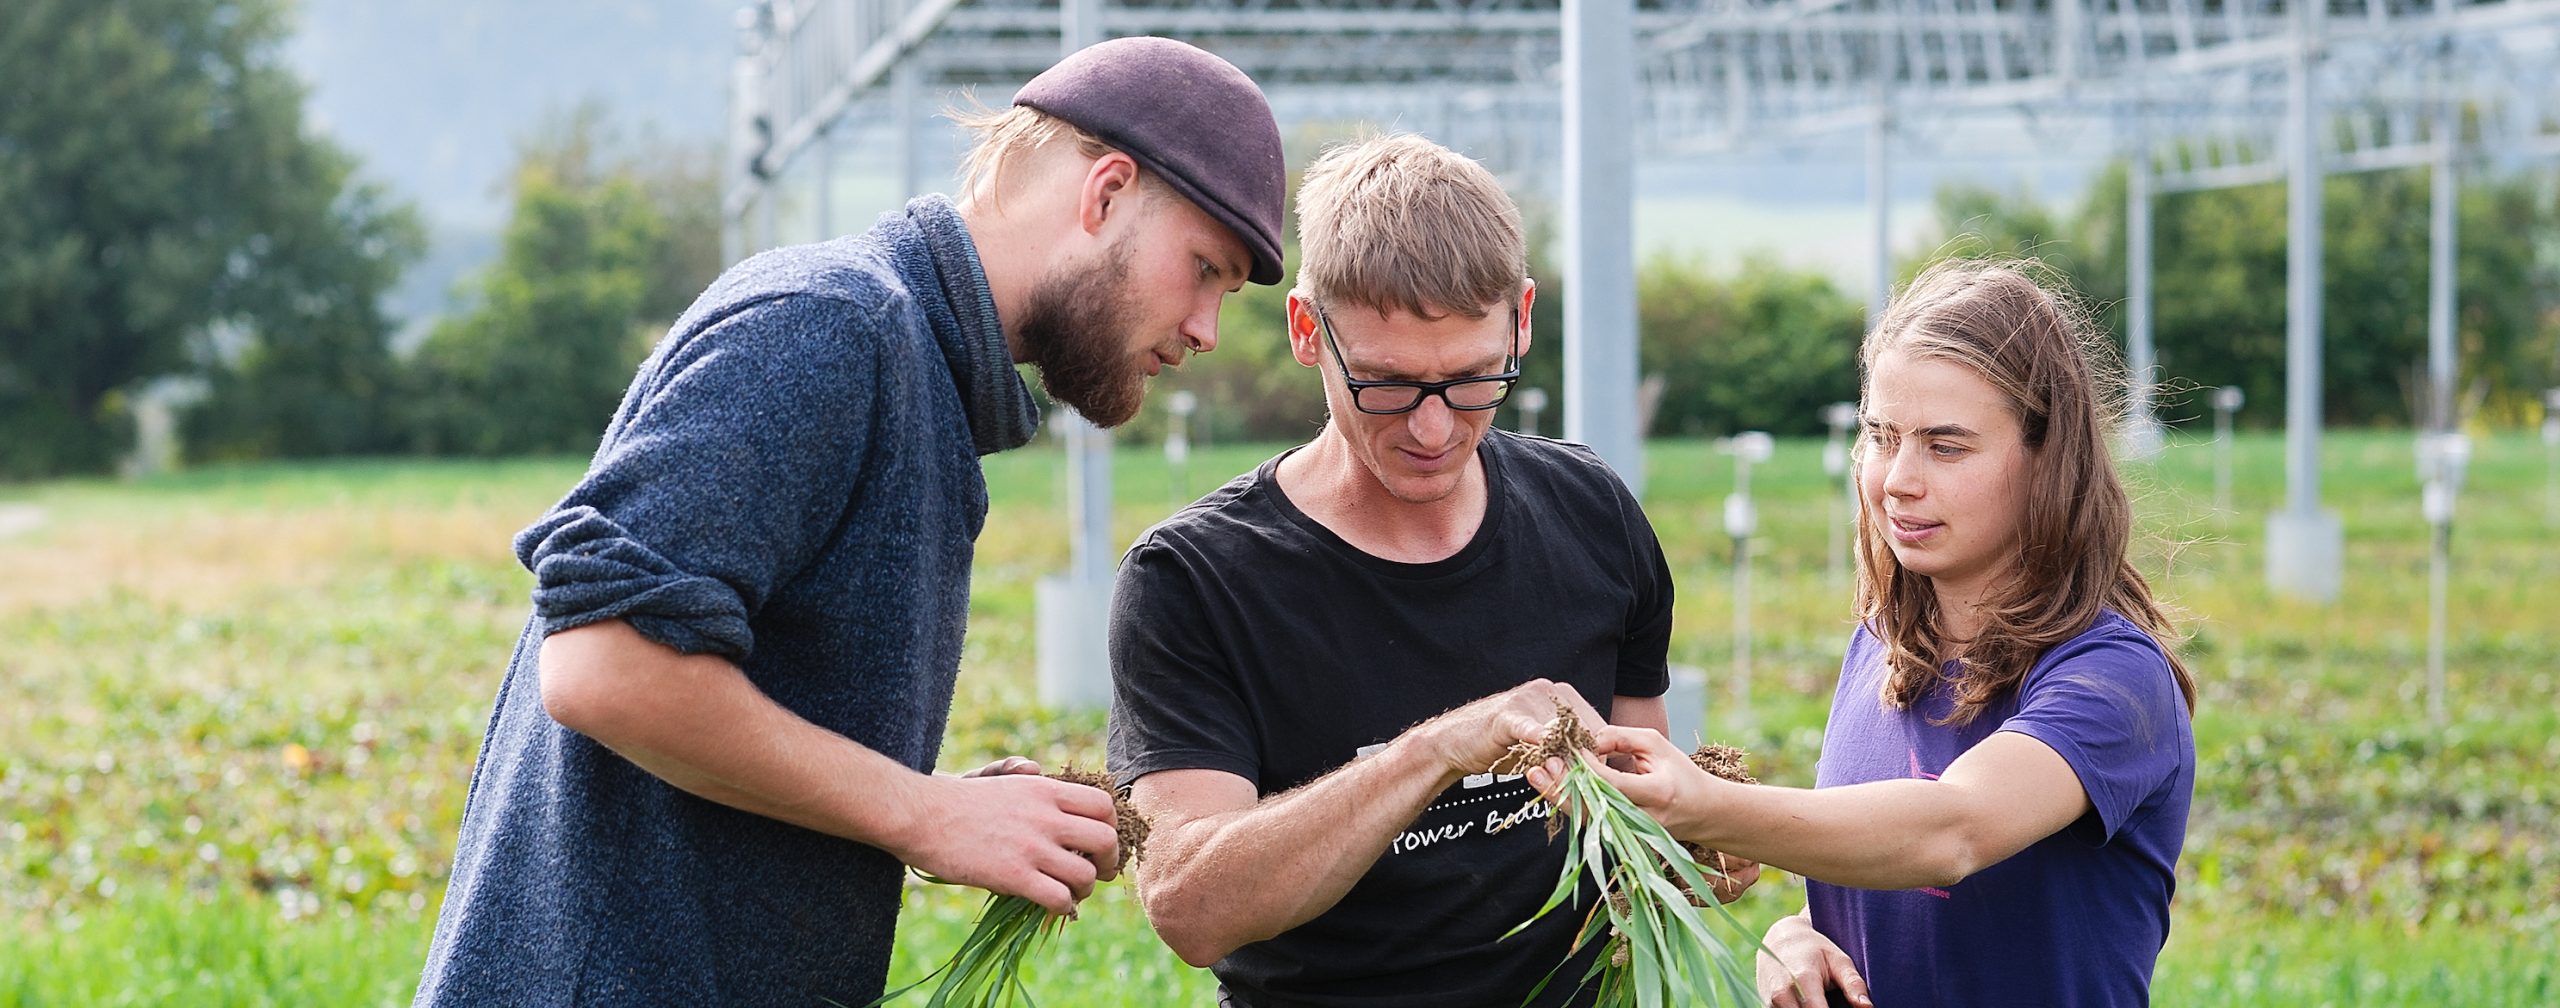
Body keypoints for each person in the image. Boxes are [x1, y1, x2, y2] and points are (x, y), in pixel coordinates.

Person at [413, 37, 1288, 1007]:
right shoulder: (835, 328)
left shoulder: (917, 373)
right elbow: (605, 665)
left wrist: (956, 805)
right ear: (1106, 194)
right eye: (1204, 268)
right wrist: (921, 811)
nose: (1208, 327)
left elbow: (731, 710)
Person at [1106, 132, 1754, 1008]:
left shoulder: (1592, 515)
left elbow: (1634, 818)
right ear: (1308, 332)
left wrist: (1691, 851)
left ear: (1521, 319)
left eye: (1475, 379)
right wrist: (1442, 748)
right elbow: (1190, 906)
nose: (1433, 428)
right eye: (1385, 383)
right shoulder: (1196, 579)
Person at [1522, 260, 2198, 1008]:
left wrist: (1703, 805)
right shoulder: (1884, 645)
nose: (1897, 479)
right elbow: (1883, 873)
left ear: (2049, 459)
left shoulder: (2114, 680)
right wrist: (1796, 933)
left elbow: (1951, 832)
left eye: (1947, 446)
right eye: (1881, 437)